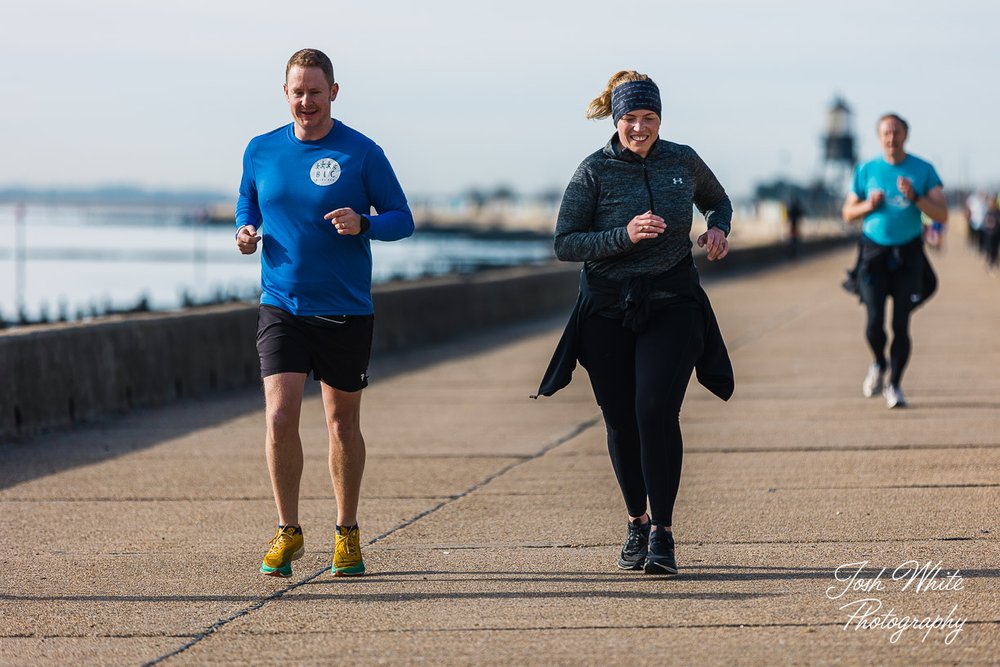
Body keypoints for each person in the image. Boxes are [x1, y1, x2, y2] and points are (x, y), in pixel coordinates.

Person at [534, 70, 734, 576]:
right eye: (630, 119)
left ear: (660, 119)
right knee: (621, 418)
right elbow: (565, 242)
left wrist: (717, 228)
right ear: (616, 119)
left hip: (672, 300)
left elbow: (718, 198)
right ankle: (636, 523)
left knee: (654, 410)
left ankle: (663, 533)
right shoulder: (593, 171)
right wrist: (624, 234)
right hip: (606, 308)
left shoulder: (682, 160)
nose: (640, 128)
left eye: (649, 118)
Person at [236, 48, 414, 578]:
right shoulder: (261, 149)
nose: (306, 101)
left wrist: (365, 224)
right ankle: (288, 531)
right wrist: (245, 231)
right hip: (281, 304)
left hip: (344, 309)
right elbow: (249, 202)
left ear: (333, 93)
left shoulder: (362, 152)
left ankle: (347, 532)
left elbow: (402, 219)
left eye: (316, 91)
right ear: (285, 93)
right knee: (278, 415)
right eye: (298, 91)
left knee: (341, 425)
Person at [841, 113, 947, 409]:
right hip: (874, 254)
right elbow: (847, 213)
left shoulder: (923, 170)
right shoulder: (866, 169)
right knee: (874, 324)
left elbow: (942, 214)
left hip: (908, 255)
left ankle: (895, 384)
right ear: (879, 137)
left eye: (896, 132)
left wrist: (916, 198)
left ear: (905, 135)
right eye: (886, 133)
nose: (892, 138)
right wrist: (868, 205)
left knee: (901, 325)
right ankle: (878, 362)